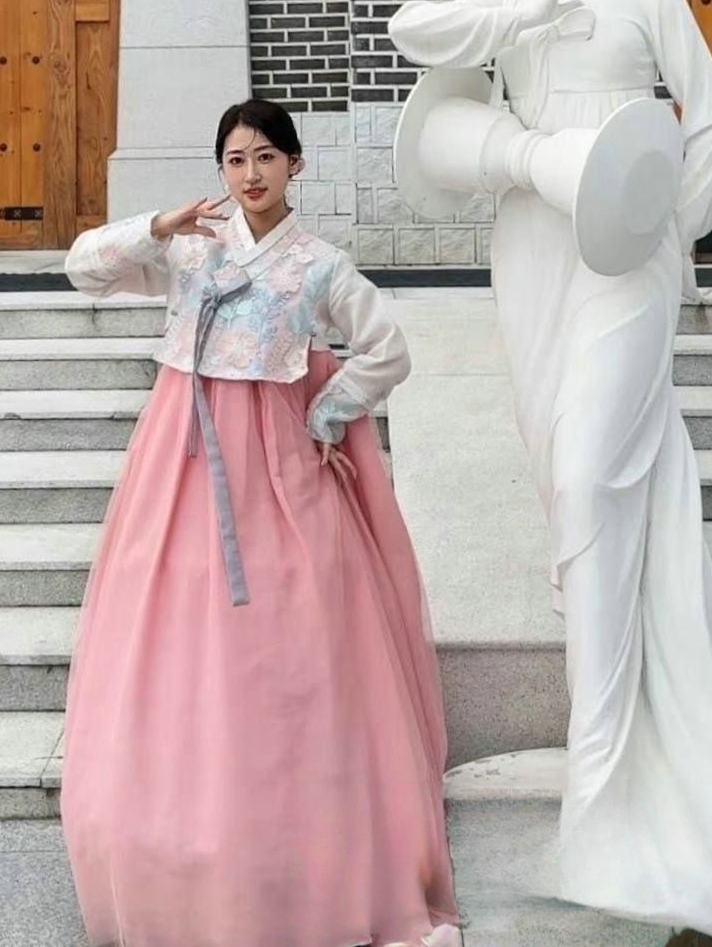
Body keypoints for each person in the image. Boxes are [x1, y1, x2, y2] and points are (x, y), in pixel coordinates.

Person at [389, 0, 712, 937]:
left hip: (624, 249)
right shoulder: (511, 4)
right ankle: (600, 734)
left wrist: (669, 220)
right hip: (533, 245)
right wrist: (517, 14)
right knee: (560, 476)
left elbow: (709, 115)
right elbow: (410, 31)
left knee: (589, 478)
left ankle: (606, 787)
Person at [61, 97, 462, 947]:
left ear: (294, 166)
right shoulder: (191, 249)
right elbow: (83, 268)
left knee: (291, 632)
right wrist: (157, 226)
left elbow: (387, 350)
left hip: (276, 470)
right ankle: (184, 831)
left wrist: (326, 414)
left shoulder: (318, 265)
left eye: (267, 157)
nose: (251, 174)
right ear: (221, 169)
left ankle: (297, 833)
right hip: (179, 459)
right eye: (236, 159)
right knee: (176, 624)